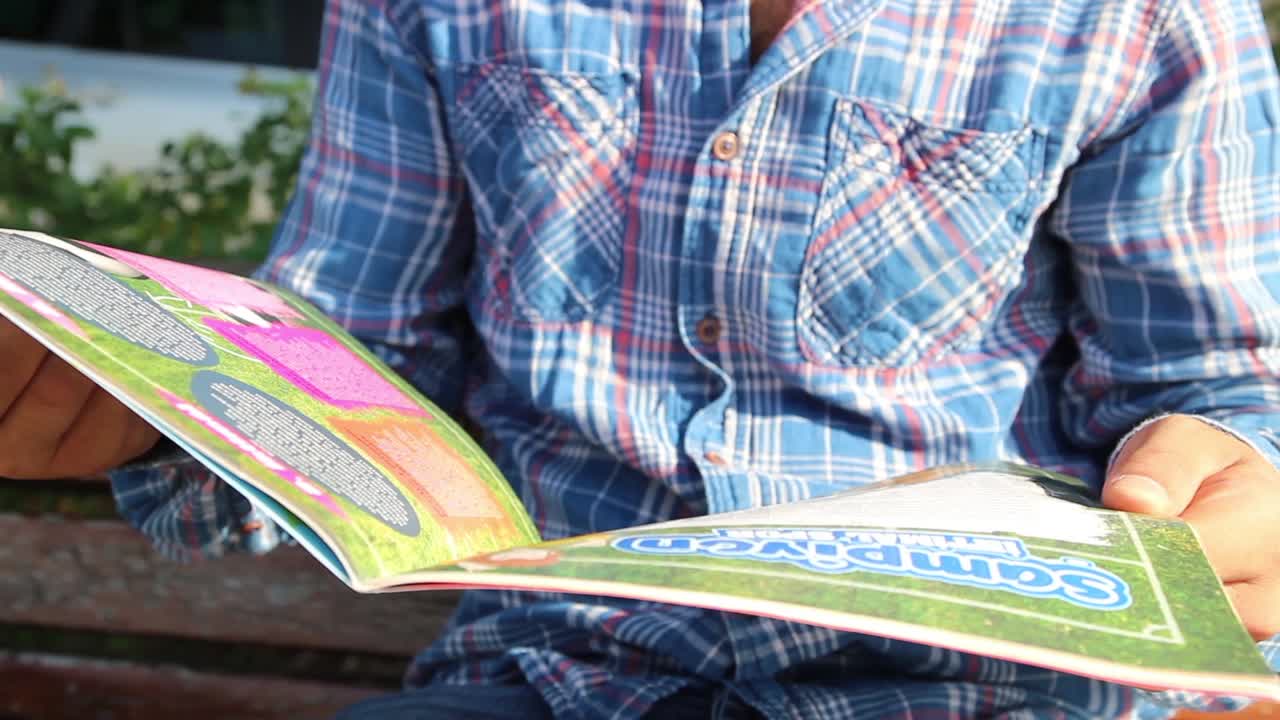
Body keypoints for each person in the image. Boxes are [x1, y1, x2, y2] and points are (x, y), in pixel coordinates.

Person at [4, 0, 1280, 716]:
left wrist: (1228, 478)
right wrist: (153, 412)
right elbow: (344, 375)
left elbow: (1217, 393)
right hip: (553, 681)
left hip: (976, 694)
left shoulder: (1137, 20)